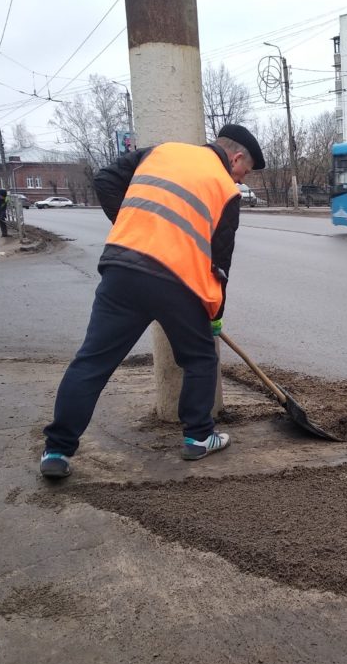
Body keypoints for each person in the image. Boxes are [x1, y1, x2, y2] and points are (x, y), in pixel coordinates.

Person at [39, 124, 265, 479]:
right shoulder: (225, 190)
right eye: (244, 171)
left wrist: (134, 227)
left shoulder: (160, 150)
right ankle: (198, 437)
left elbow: (105, 180)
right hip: (178, 283)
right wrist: (215, 315)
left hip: (122, 269)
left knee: (92, 361)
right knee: (201, 357)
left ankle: (57, 451)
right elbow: (220, 264)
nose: (240, 179)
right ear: (236, 158)